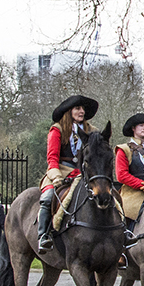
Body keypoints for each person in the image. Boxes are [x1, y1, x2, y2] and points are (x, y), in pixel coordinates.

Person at [38, 95, 99, 253]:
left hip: (84, 173)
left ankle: (121, 235)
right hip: (61, 171)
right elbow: (52, 158)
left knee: (107, 195)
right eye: (78, 108)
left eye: (83, 109)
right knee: (48, 197)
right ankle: (43, 235)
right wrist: (56, 176)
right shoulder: (57, 130)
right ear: (69, 111)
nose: (82, 111)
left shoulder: (91, 131)